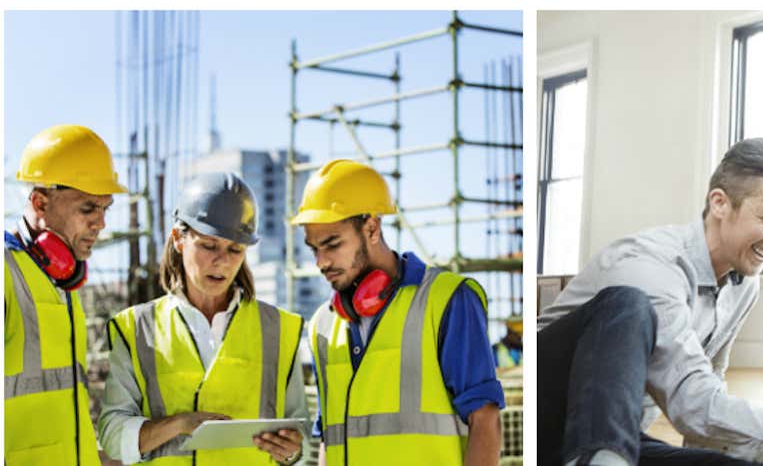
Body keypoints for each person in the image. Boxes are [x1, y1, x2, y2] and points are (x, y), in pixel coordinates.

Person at [536, 138, 763, 465]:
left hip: (608, 443)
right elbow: (692, 402)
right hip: (542, 419)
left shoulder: (744, 282)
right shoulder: (650, 267)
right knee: (627, 304)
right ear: (719, 203)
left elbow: (709, 391)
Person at [292, 159, 504, 466]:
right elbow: (329, 438)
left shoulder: (448, 301)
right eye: (314, 249)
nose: (321, 262)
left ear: (372, 228)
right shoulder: (323, 325)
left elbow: (485, 421)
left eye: (333, 244)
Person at [99, 172, 308, 465]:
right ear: (178, 239)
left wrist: (293, 451)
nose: (221, 261)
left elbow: (301, 442)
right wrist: (180, 424)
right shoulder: (135, 329)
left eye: (235, 250)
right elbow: (112, 437)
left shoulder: (279, 330)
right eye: (208, 246)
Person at [5, 125, 128, 466]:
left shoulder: (62, 282)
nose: (101, 223)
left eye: (106, 208)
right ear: (40, 202)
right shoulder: (6, 273)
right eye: (88, 209)